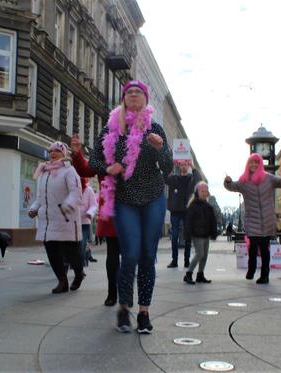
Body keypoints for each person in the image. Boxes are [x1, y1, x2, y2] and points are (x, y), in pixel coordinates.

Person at [90, 80, 173, 334]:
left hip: (153, 198)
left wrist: (160, 149)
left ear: (146, 100)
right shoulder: (111, 129)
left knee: (148, 255)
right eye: (129, 92)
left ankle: (144, 313)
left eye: (138, 92)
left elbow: (168, 168)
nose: (134, 95)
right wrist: (107, 168)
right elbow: (94, 159)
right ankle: (124, 307)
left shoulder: (155, 127)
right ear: (124, 99)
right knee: (131, 255)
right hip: (125, 198)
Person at [224, 153, 281, 284]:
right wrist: (228, 182)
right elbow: (232, 187)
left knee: (265, 250)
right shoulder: (244, 181)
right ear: (248, 165)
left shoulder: (268, 178)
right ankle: (251, 269)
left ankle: (265, 275)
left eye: (256, 162)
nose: (253, 165)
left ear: (260, 164)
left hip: (267, 221)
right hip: (252, 221)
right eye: (251, 162)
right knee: (252, 248)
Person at [71, 133, 121, 306]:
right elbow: (86, 169)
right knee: (113, 253)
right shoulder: (103, 159)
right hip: (111, 210)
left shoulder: (133, 150)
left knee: (130, 256)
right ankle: (112, 292)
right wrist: (77, 154)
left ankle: (125, 291)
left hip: (132, 208)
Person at [29, 141, 85, 294]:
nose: (53, 153)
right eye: (51, 150)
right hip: (48, 221)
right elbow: (41, 197)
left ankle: (79, 274)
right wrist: (34, 208)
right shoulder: (45, 172)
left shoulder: (69, 171)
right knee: (52, 252)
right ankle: (62, 281)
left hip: (65, 219)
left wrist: (67, 205)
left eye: (57, 151)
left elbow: (76, 192)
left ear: (64, 154)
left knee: (71, 253)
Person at [165, 161, 201, 268]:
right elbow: (164, 178)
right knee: (174, 236)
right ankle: (174, 260)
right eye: (182, 164)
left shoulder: (191, 178)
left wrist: (193, 167)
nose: (184, 166)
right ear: (180, 166)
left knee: (188, 237)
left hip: (187, 211)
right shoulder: (174, 178)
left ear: (188, 166)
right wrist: (169, 165)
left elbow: (199, 180)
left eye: (186, 164)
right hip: (175, 211)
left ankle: (186, 261)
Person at [183, 182, 218, 285]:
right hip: (197, 234)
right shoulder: (193, 206)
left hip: (206, 234)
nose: (203, 193)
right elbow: (188, 222)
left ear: (208, 193)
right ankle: (188, 273)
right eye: (201, 191)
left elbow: (213, 221)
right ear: (197, 193)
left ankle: (200, 274)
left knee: (205, 256)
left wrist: (214, 233)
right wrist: (188, 235)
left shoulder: (209, 207)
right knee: (200, 254)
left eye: (205, 191)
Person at [79, 177, 98, 266]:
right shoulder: (71, 188)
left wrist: (89, 213)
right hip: (71, 223)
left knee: (82, 244)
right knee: (72, 246)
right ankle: (76, 263)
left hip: (84, 223)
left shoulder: (89, 190)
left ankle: (80, 265)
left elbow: (94, 205)